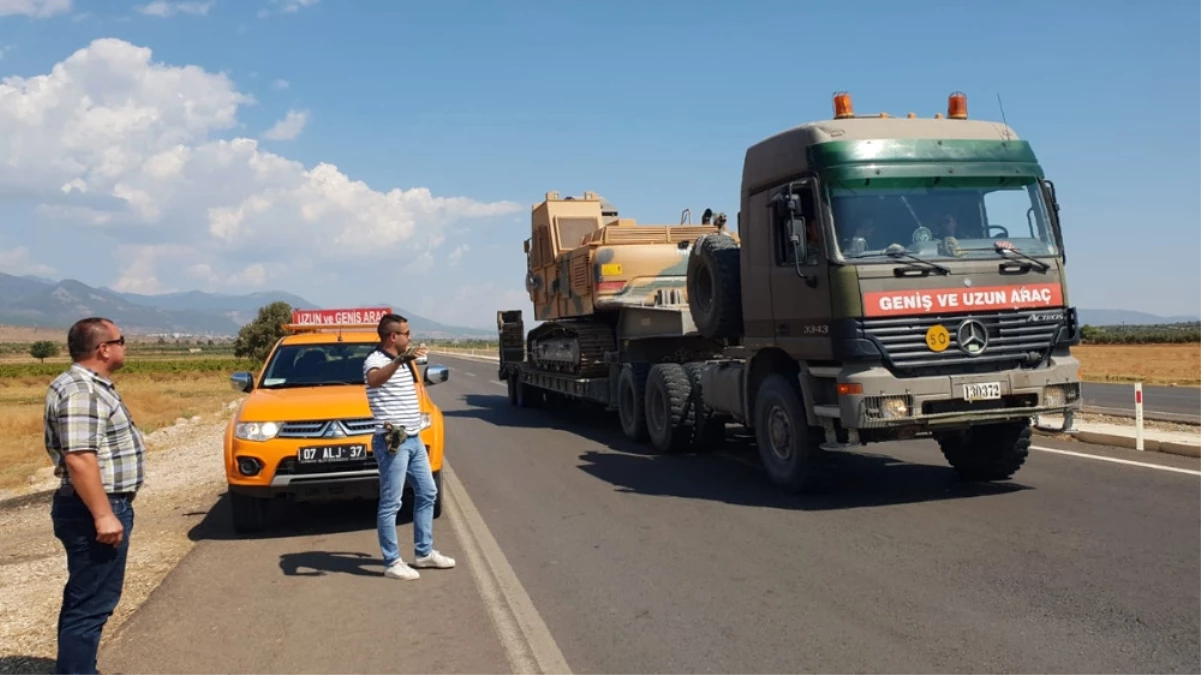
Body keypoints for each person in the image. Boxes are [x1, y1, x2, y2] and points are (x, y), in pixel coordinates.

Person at [44, 317, 145, 675]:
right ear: (103, 349)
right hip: (93, 508)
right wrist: (104, 514)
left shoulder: (83, 385)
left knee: (85, 598)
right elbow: (80, 458)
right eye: (121, 340)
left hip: (93, 504)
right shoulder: (82, 392)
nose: (124, 346)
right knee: (91, 604)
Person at [363, 313, 455, 580]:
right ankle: (392, 562)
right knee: (391, 502)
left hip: (413, 438)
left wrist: (406, 358)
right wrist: (402, 359)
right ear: (393, 337)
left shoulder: (402, 362)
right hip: (393, 441)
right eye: (406, 333)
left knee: (428, 492)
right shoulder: (376, 361)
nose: (410, 337)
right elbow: (374, 380)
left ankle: (424, 553)